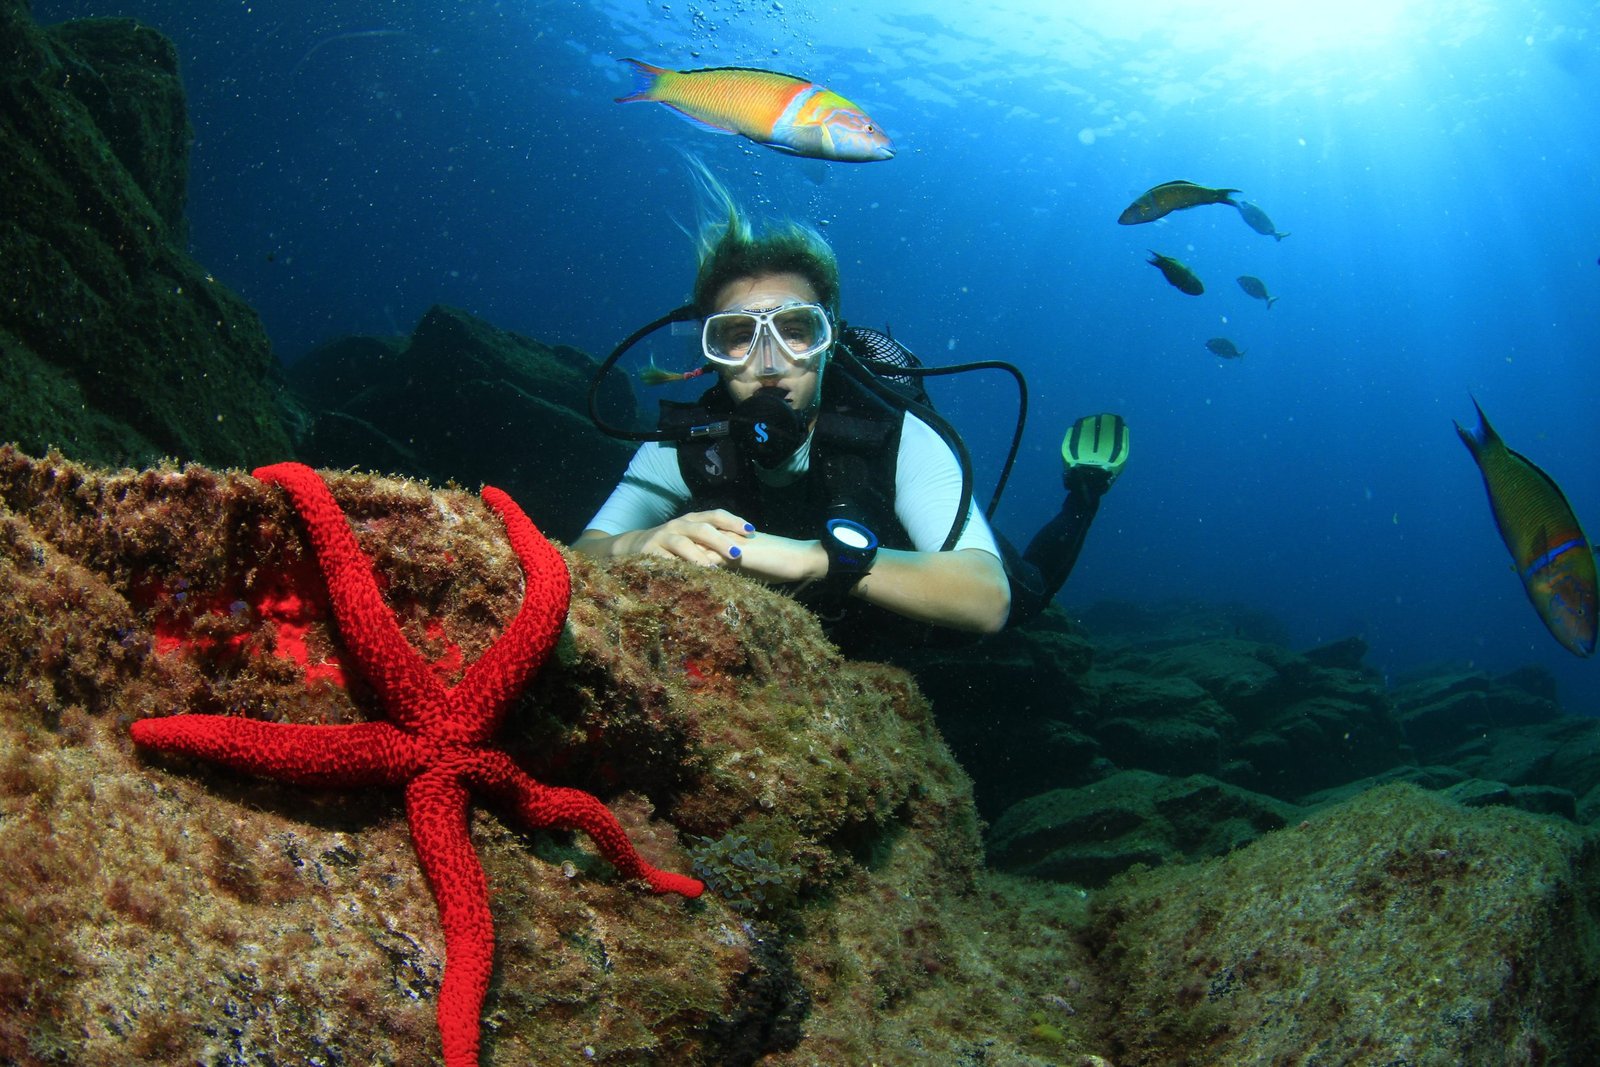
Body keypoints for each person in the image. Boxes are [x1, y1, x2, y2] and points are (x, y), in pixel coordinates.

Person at [574, 176, 1125, 640]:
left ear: (830, 340)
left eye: (796, 331)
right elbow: (585, 552)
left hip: (910, 616)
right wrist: (635, 543)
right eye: (738, 336)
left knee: (1031, 595)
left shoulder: (897, 431)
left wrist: (811, 558)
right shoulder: (688, 442)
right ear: (709, 355)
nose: (769, 364)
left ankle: (1086, 490)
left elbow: (986, 597)